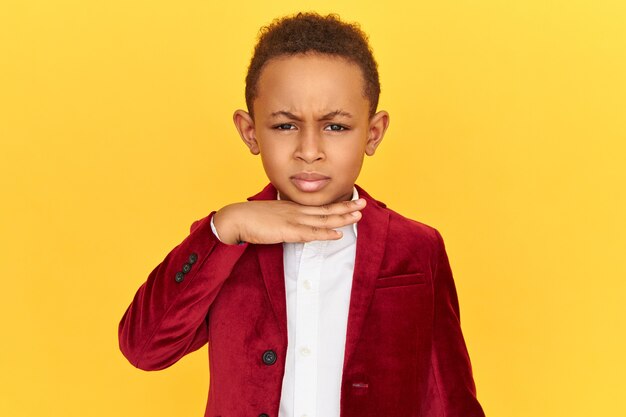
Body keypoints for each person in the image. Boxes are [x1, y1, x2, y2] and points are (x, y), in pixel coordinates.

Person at [118, 12, 485, 417]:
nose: (309, 150)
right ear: (250, 131)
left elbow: (451, 400)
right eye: (285, 126)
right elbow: (144, 348)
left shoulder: (417, 248)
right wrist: (226, 227)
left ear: (373, 133)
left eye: (336, 127)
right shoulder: (223, 243)